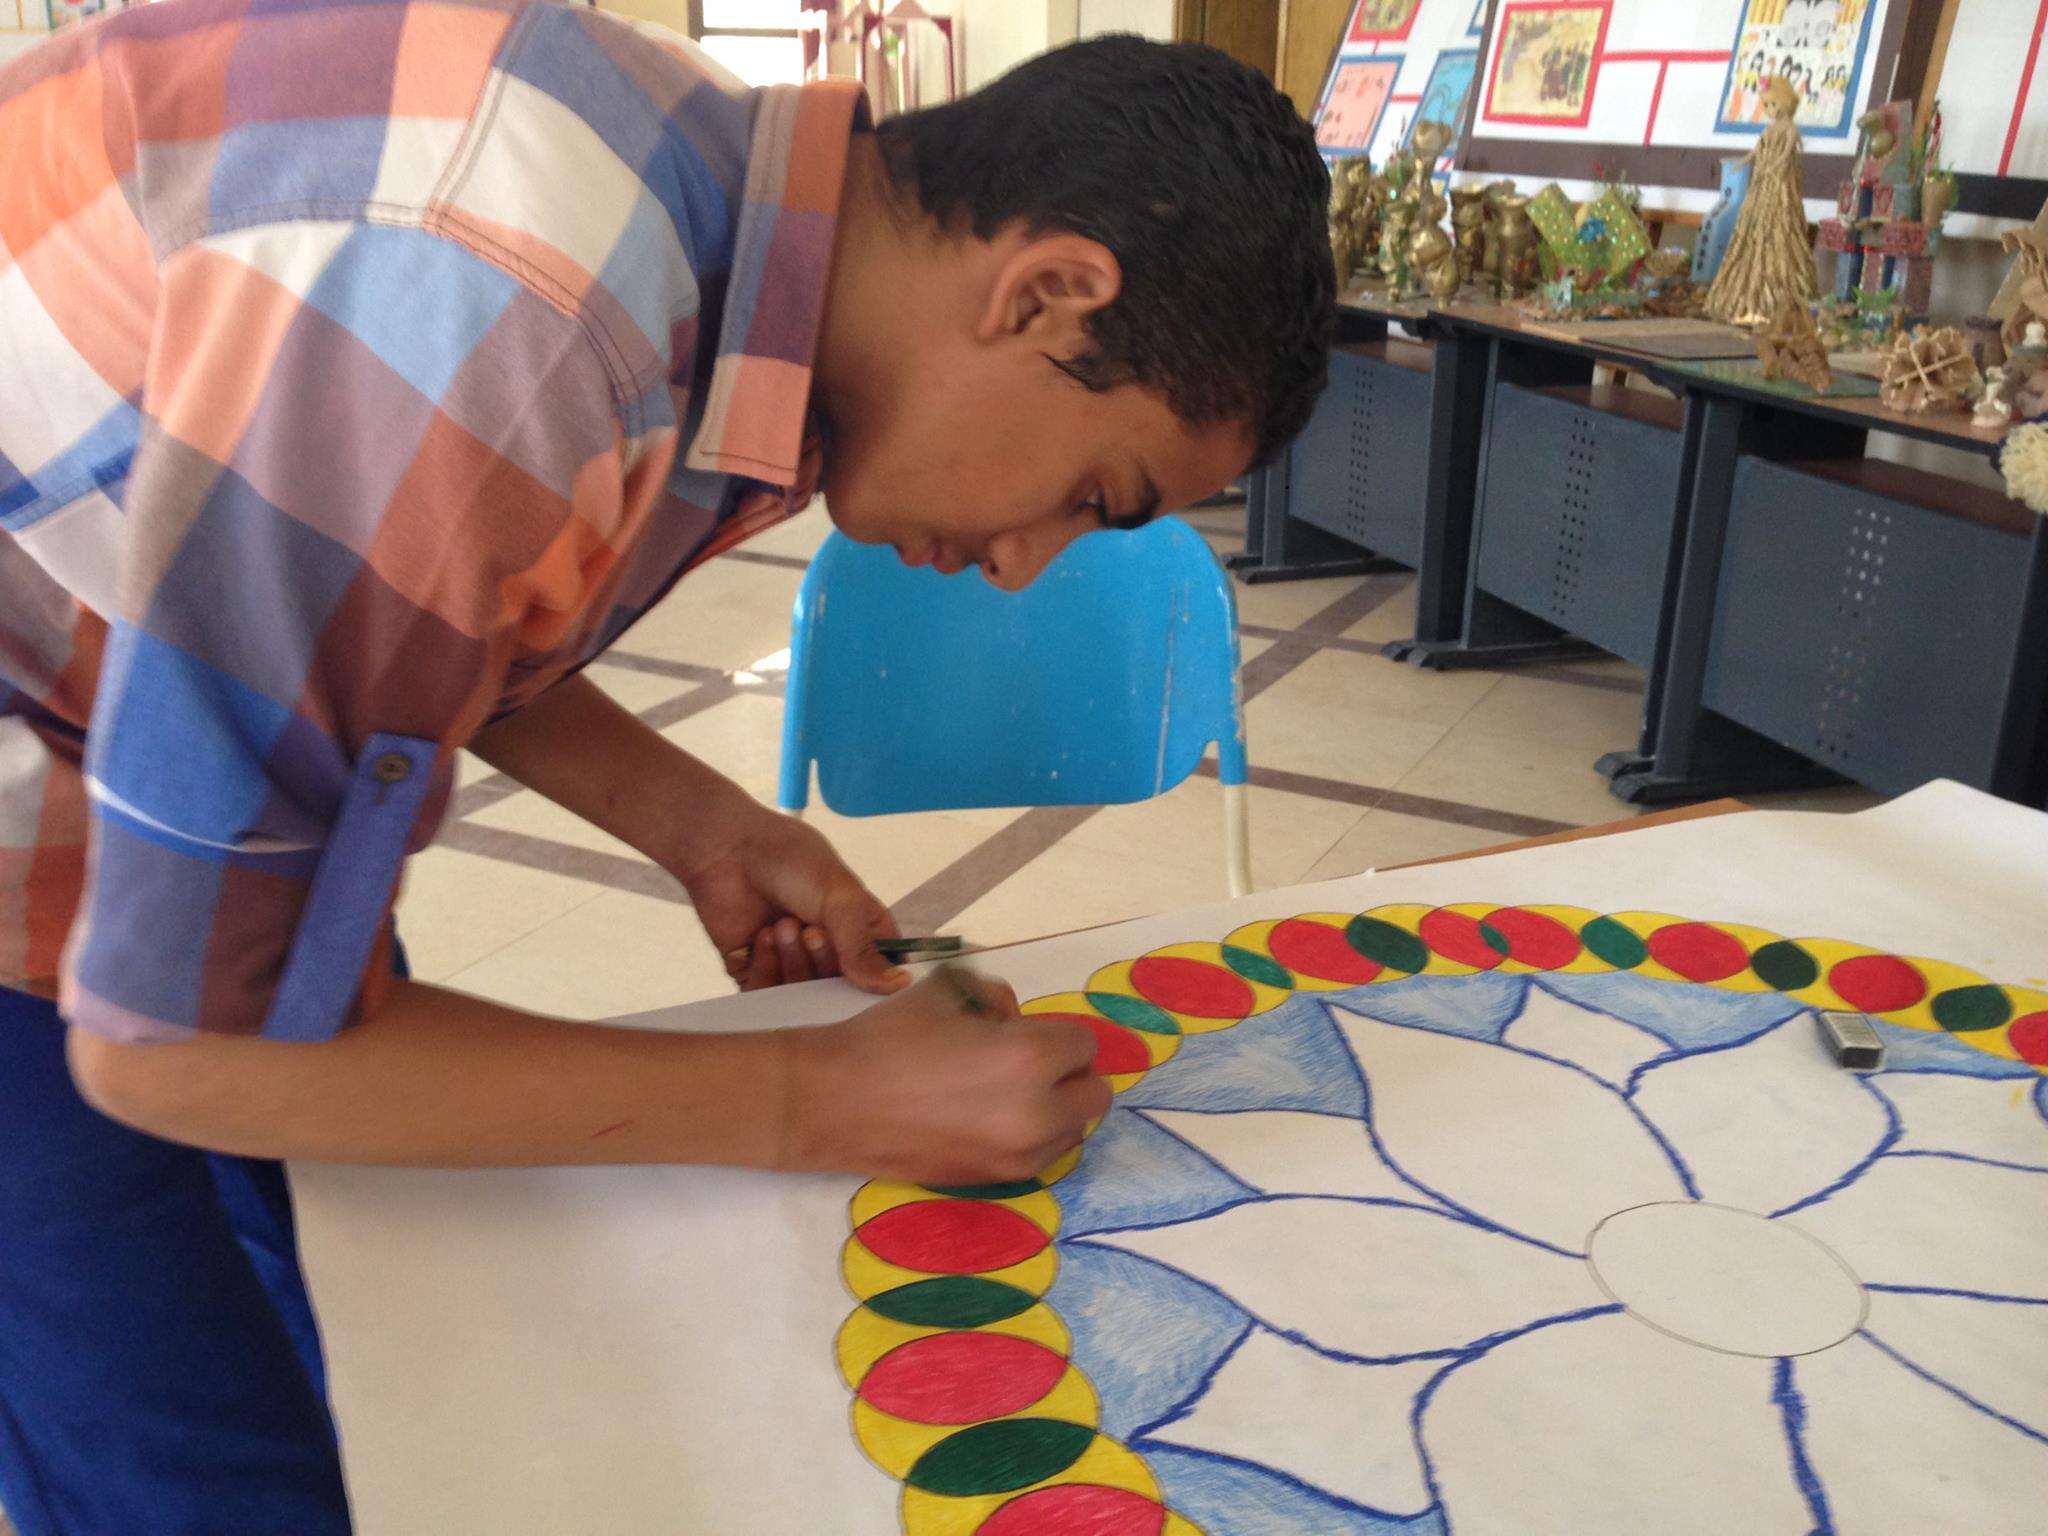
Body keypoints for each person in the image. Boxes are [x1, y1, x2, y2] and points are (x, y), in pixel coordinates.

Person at [0, 2, 1335, 1530]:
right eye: (1096, 494)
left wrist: (700, 824)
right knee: (204, 1469)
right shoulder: (510, 299)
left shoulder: (715, 223)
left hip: (126, 711)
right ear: (1045, 294)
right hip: (40, 806)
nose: (1028, 566)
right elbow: (188, 1044)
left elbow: (393, 595)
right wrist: (815, 1099)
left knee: (355, 1301)